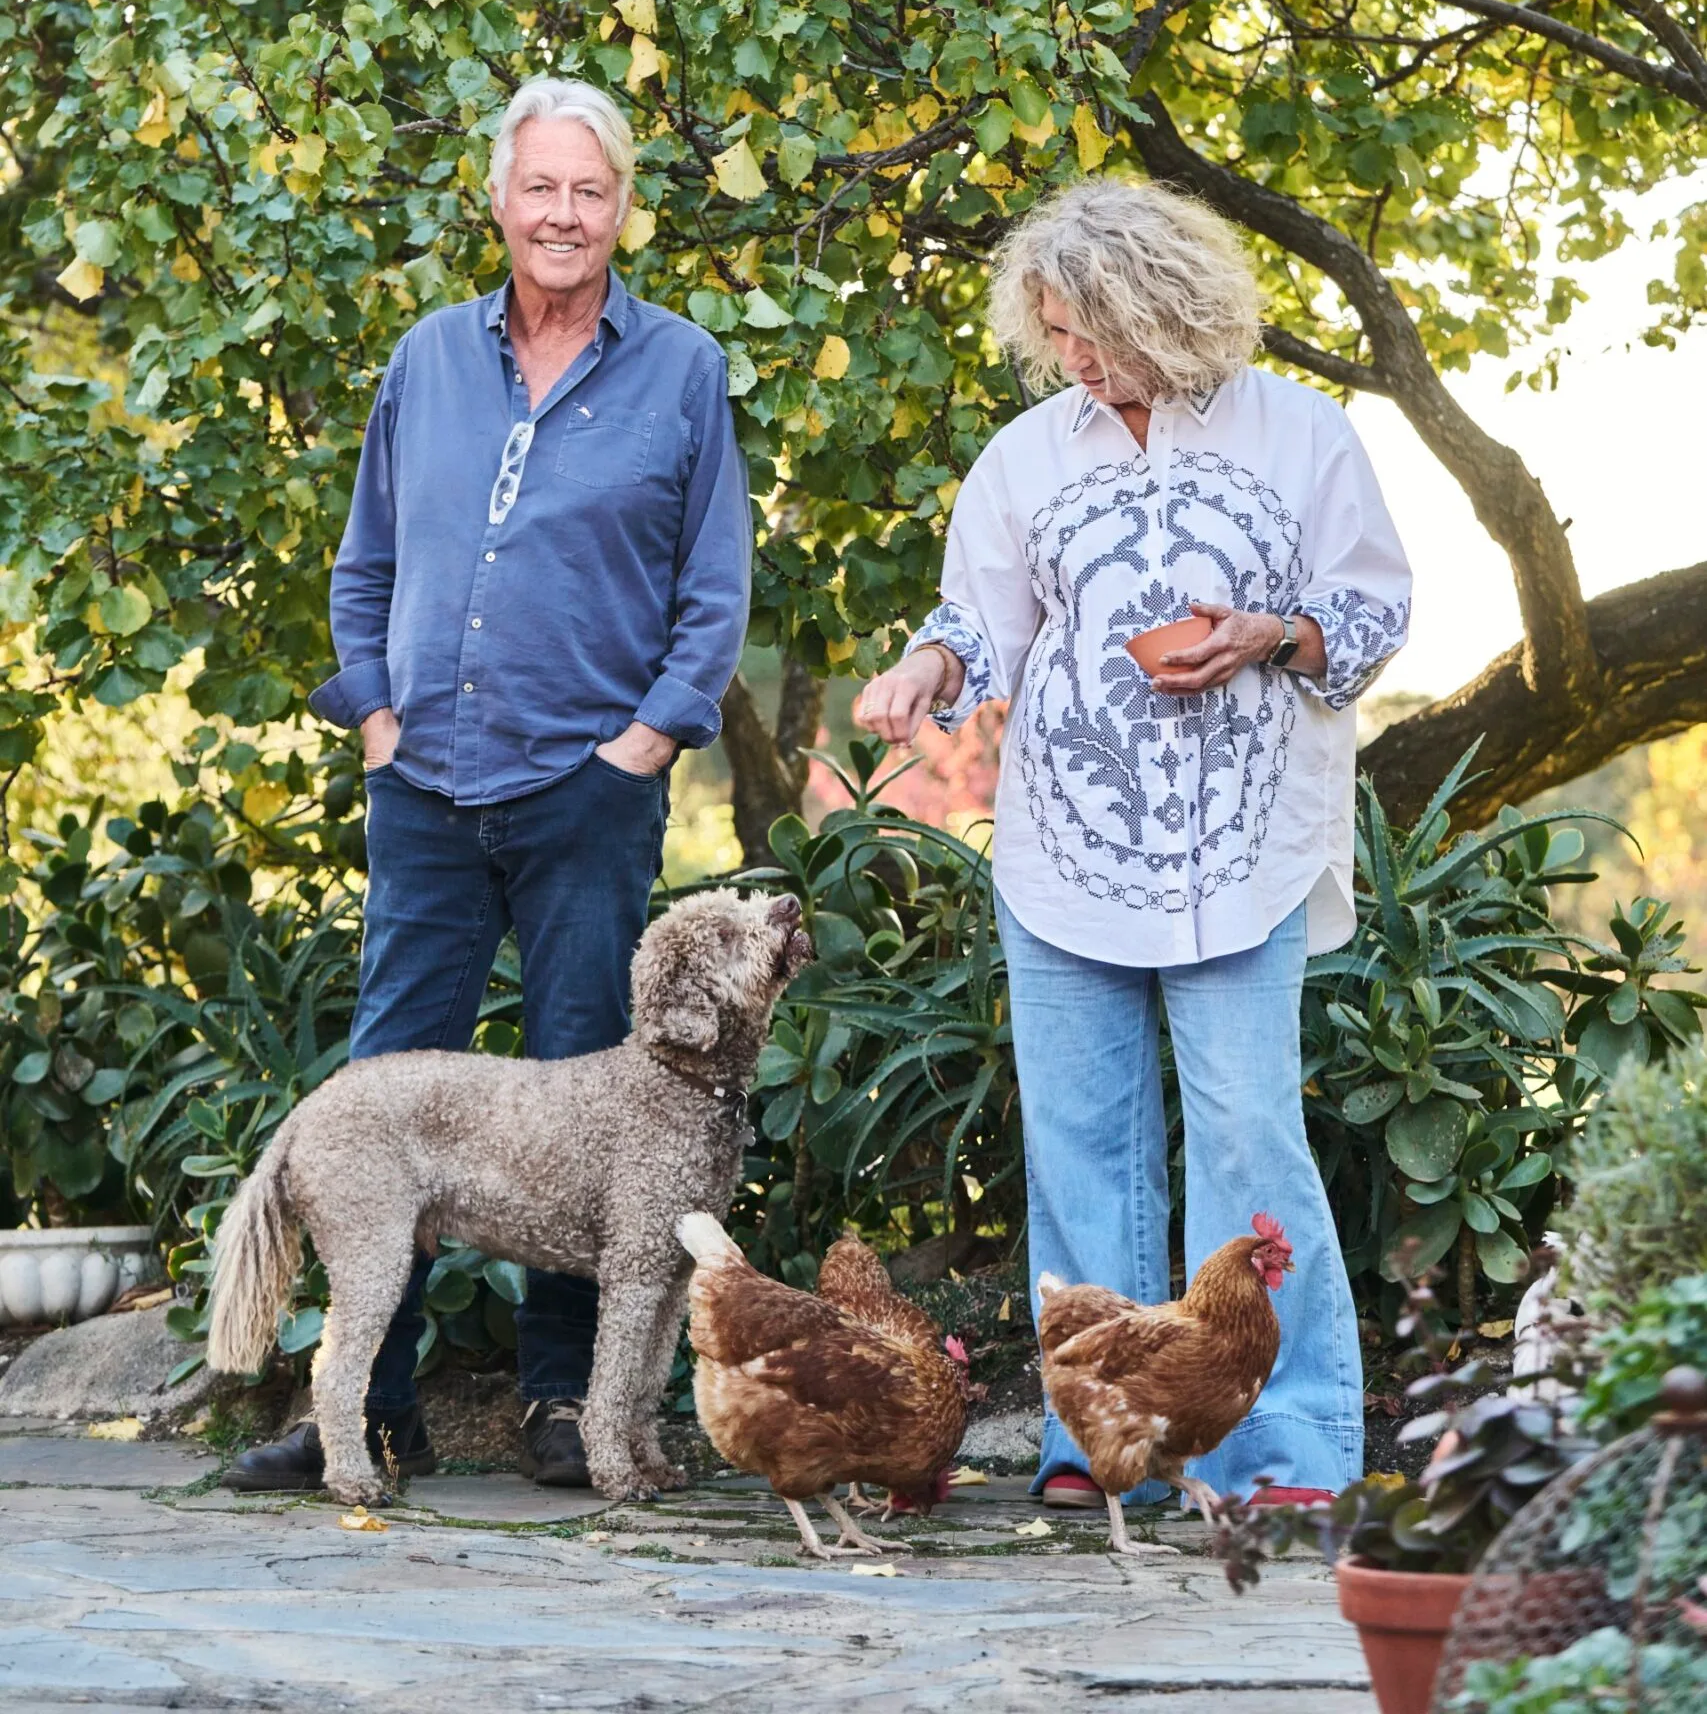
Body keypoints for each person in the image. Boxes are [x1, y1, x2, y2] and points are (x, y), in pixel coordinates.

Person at [225, 77, 752, 1493]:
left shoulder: (681, 370)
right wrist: (373, 717)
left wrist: (643, 745)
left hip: (588, 790)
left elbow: (713, 592)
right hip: (425, 786)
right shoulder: (427, 360)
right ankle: (369, 1410)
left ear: (623, 207)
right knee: (386, 1079)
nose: (563, 214)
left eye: (591, 190)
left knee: (598, 1100)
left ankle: (563, 1406)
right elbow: (365, 560)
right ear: (500, 200)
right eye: (541, 188)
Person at [855, 180, 1411, 1510]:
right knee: (1080, 1154)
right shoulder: (1025, 458)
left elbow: (1373, 608)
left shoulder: (1303, 434)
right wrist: (926, 669)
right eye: (1055, 333)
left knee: (1248, 1147)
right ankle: (1100, 1447)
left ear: (1166, 309)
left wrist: (1274, 635)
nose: (1074, 359)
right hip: (1068, 849)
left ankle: (1291, 1448)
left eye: (1094, 332)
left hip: (1244, 853)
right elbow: (980, 621)